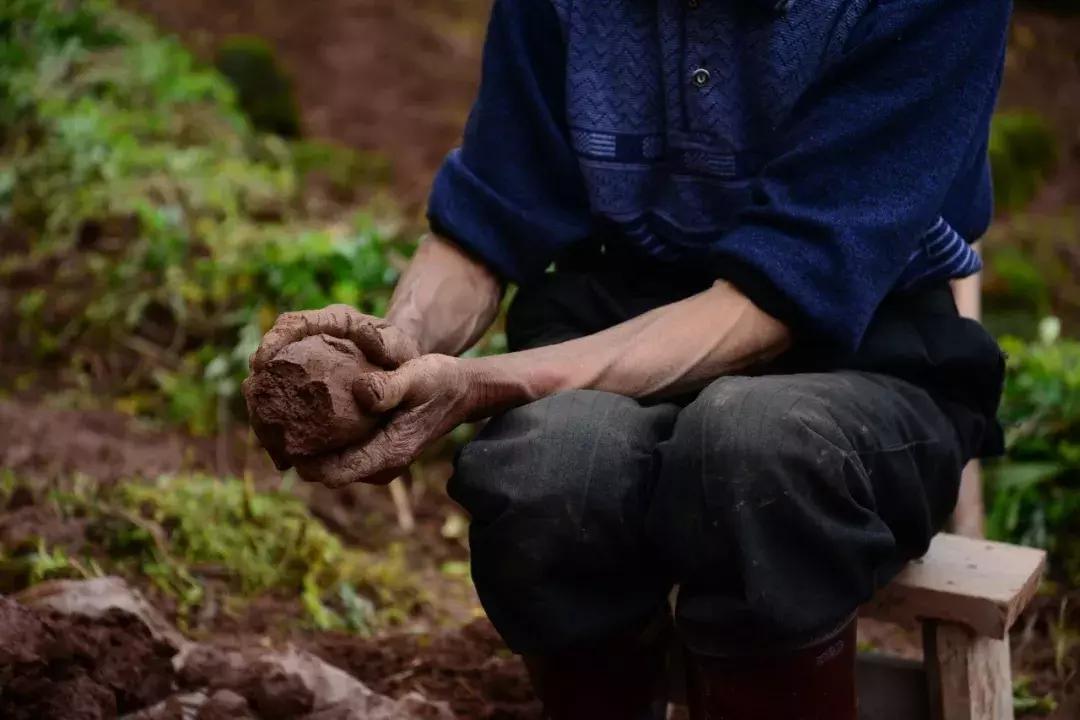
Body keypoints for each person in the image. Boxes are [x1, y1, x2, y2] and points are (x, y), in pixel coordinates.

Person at [251, 0, 1012, 716]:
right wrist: (394, 348)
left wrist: (484, 382)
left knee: (757, 451)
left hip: (867, 350)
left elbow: (788, 288)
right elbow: (490, 223)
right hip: (611, 306)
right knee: (546, 472)